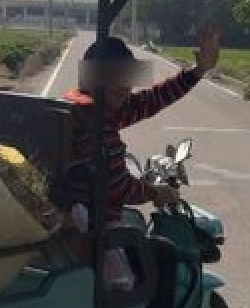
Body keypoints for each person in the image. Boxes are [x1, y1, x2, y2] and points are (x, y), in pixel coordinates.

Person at [62, 27, 221, 223]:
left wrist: (199, 70)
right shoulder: (93, 120)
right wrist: (155, 193)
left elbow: (151, 100)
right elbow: (117, 187)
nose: (123, 86)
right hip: (96, 230)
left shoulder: (85, 106)